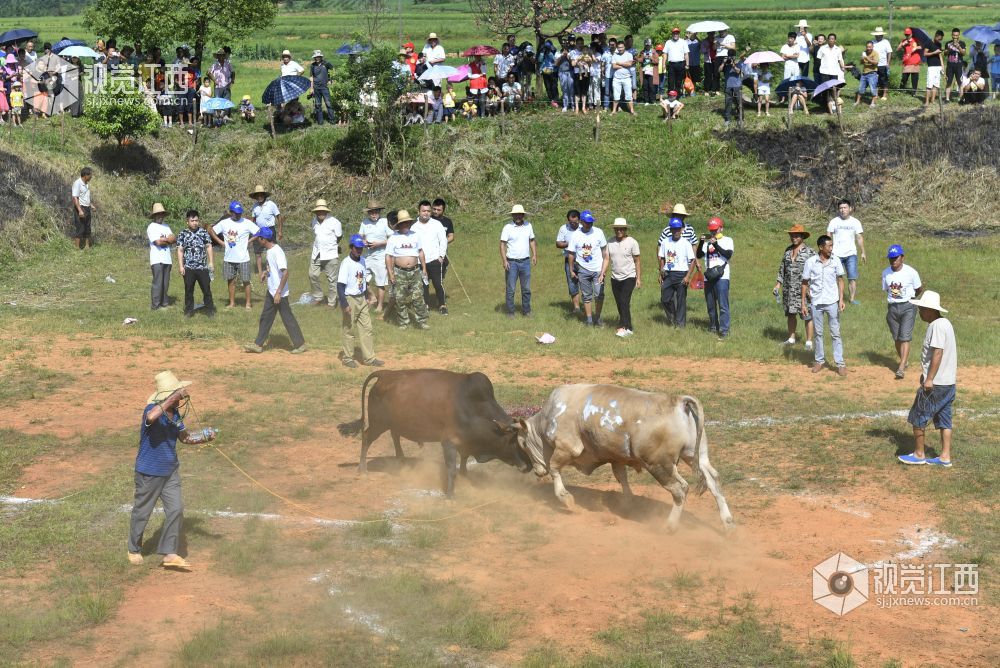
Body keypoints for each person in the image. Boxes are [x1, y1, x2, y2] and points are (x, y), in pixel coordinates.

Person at [128, 371, 217, 570]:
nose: (182, 397)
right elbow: (151, 417)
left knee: (176, 509)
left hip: (170, 472)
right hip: (149, 472)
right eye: (178, 393)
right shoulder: (151, 410)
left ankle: (170, 554)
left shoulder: (175, 414)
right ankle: (133, 549)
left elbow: (184, 438)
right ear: (169, 395)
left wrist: (204, 436)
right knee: (143, 512)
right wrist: (172, 399)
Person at [898, 291, 957, 467]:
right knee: (944, 419)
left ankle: (918, 454)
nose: (920, 311)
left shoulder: (936, 326)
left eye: (921, 308)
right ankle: (945, 457)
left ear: (930, 310)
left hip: (936, 384)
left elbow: (937, 353)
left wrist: (929, 378)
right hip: (948, 383)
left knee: (918, 416)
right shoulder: (946, 323)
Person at [244, 227, 306, 354]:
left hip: (279, 293)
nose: (257, 240)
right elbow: (274, 268)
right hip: (271, 291)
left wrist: (278, 293)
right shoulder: (269, 250)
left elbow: (285, 273)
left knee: (288, 318)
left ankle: (300, 344)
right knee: (266, 317)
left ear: (264, 239)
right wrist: (266, 273)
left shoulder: (277, 252)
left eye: (259, 238)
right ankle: (258, 344)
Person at [801, 234, 847, 376]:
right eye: (829, 246)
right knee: (818, 333)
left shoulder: (836, 261)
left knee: (835, 333)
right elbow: (804, 283)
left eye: (832, 245)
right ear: (821, 247)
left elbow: (840, 280)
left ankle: (840, 363)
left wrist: (841, 299)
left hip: (832, 302)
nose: (831, 248)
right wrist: (803, 303)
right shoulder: (810, 262)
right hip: (816, 302)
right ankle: (819, 361)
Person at [338, 234, 384, 368]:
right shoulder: (346, 263)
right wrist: (344, 304)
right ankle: (347, 358)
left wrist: (369, 295)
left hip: (361, 299)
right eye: (357, 248)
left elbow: (362, 281)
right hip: (349, 298)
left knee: (367, 328)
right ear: (351, 247)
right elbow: (340, 286)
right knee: (349, 329)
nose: (359, 250)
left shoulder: (363, 261)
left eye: (361, 248)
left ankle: (369, 359)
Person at [882, 244, 924, 380]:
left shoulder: (911, 272)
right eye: (891, 258)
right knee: (897, 337)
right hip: (892, 308)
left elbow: (919, 289)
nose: (893, 261)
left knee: (905, 336)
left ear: (902, 258)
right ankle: (904, 360)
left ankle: (901, 368)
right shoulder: (885, 273)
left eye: (896, 258)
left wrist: (910, 299)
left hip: (908, 306)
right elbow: (886, 289)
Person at [385, 209, 430, 330]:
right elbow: (388, 256)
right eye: (403, 223)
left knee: (418, 297)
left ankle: (422, 321)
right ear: (398, 224)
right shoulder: (393, 238)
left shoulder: (415, 235)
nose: (405, 225)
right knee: (400, 298)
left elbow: (420, 252)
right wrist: (390, 273)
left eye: (407, 223)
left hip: (415, 271)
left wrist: (424, 268)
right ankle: (404, 322)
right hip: (399, 272)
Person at [209, 201, 259, 310]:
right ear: (231, 212)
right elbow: (211, 230)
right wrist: (220, 242)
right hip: (229, 258)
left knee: (246, 281)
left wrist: (249, 241)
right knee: (231, 280)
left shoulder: (246, 222)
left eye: (239, 213)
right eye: (235, 213)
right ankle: (232, 303)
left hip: (243, 258)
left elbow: (258, 232)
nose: (238, 215)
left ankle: (248, 304)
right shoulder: (224, 223)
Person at [773, 224, 815, 349]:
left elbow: (816, 271)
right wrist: (778, 284)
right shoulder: (787, 251)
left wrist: (812, 288)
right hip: (789, 289)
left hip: (804, 290)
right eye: (792, 235)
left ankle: (808, 342)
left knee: (807, 315)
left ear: (802, 237)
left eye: (796, 235)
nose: (793, 238)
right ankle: (791, 339)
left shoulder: (810, 252)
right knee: (791, 314)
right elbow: (782, 269)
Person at [567, 210, 609, 327]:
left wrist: (603, 271)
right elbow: (571, 253)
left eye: (591, 222)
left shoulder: (599, 232)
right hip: (583, 269)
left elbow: (605, 253)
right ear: (581, 222)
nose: (589, 225)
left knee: (599, 295)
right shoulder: (576, 235)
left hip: (598, 270)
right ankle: (589, 320)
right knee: (586, 296)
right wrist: (571, 270)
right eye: (587, 222)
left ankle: (598, 318)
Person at [697, 217, 734, 338]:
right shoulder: (707, 243)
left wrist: (716, 245)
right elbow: (698, 255)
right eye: (711, 230)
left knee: (723, 305)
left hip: (722, 277)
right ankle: (713, 327)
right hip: (709, 277)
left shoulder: (728, 240)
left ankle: (724, 330)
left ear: (721, 228)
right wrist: (702, 242)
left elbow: (728, 255)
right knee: (710, 305)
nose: (713, 232)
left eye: (715, 230)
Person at [658, 216, 698, 329]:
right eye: (673, 229)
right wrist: (661, 271)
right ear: (670, 229)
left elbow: (692, 260)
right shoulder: (665, 242)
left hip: (682, 274)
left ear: (681, 230)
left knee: (681, 301)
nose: (676, 231)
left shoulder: (686, 243)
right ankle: (673, 317)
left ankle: (680, 325)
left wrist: (687, 276)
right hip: (668, 274)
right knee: (665, 299)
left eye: (678, 229)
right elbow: (661, 257)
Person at [499, 204, 537, 318]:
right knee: (510, 289)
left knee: (526, 289)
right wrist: (504, 260)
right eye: (515, 214)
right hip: (512, 262)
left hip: (525, 261)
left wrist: (534, 254)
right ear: (512, 215)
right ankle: (510, 312)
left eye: (520, 214)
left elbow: (532, 240)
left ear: (523, 215)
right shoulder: (507, 227)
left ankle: (527, 311)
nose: (518, 216)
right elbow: (502, 245)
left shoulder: (528, 226)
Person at [176, 209, 215, 318]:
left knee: (206, 289)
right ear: (187, 222)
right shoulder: (182, 234)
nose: (195, 223)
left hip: (202, 267)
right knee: (189, 290)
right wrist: (180, 266)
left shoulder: (203, 232)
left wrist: (211, 262)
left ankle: (210, 310)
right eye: (192, 220)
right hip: (188, 267)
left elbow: (209, 246)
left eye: (196, 220)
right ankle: (188, 311)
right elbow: (180, 250)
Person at [412, 200, 449, 314]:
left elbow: (443, 241)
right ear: (419, 211)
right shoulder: (414, 227)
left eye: (428, 211)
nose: (426, 213)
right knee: (424, 285)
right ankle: (426, 305)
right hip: (420, 261)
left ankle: (442, 305)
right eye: (424, 211)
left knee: (438, 284)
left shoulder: (437, 224)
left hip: (435, 259)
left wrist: (441, 256)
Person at [826, 199, 866, 305]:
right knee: (837, 277)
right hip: (836, 254)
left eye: (845, 207)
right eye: (841, 208)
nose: (843, 210)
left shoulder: (855, 222)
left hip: (851, 254)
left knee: (852, 278)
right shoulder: (834, 221)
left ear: (850, 209)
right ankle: (837, 299)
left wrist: (863, 252)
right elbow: (828, 236)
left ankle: (852, 299)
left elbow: (859, 237)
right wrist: (827, 250)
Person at [608, 218, 640, 337]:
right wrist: (602, 273)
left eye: (621, 229)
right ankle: (622, 324)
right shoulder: (610, 242)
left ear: (625, 229)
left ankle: (628, 328)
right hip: (615, 277)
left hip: (629, 276)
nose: (619, 231)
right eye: (617, 229)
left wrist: (638, 278)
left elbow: (637, 260)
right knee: (619, 302)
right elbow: (606, 258)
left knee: (624, 301)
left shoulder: (632, 242)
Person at [359, 200, 392, 314]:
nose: (373, 214)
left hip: (381, 256)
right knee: (361, 278)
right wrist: (364, 242)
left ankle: (380, 305)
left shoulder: (384, 222)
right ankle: (372, 297)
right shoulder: (364, 222)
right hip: (367, 255)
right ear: (368, 213)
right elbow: (360, 236)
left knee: (380, 282)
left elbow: (392, 239)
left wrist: (379, 244)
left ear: (379, 212)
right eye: (371, 212)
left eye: (376, 212)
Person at [307, 199, 342, 306]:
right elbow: (316, 235)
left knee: (332, 280)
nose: (321, 213)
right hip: (317, 253)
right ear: (316, 212)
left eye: (323, 211)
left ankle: (331, 302)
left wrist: (332, 245)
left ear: (326, 211)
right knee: (312, 274)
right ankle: (318, 296)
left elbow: (339, 236)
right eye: (318, 211)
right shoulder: (314, 221)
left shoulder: (335, 222)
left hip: (331, 254)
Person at [249, 185, 282, 278]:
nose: (259, 197)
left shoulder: (271, 204)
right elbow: (253, 219)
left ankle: (270, 269)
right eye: (257, 195)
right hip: (258, 230)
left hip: (269, 230)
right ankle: (260, 272)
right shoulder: (255, 206)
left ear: (264, 195)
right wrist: (250, 231)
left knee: (271, 250)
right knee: (257, 252)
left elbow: (279, 217)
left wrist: (280, 231)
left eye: (261, 195)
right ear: (255, 197)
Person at [147, 203, 175, 311]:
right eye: (158, 214)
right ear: (154, 216)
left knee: (165, 282)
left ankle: (164, 303)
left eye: (161, 214)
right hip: (156, 258)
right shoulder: (151, 227)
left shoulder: (166, 226)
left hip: (167, 258)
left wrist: (167, 240)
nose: (160, 216)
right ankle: (155, 305)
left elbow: (174, 238)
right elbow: (157, 242)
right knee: (157, 282)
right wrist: (168, 240)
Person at [556, 210, 582, 314]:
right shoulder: (563, 228)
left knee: (584, 283)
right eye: (571, 222)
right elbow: (558, 243)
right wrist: (571, 244)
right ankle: (577, 307)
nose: (573, 224)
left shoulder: (583, 228)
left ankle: (586, 304)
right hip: (569, 260)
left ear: (579, 220)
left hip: (583, 260)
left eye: (575, 222)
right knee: (572, 283)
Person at [71, 166, 96, 250]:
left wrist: (91, 205)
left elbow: (85, 196)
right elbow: (75, 198)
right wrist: (80, 210)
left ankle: (87, 246)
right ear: (85, 175)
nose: (91, 177)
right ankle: (77, 248)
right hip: (80, 208)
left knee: (87, 228)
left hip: (87, 208)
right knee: (80, 228)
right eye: (90, 175)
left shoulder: (86, 184)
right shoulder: (77, 183)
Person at [309, 50, 335, 125]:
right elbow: (311, 77)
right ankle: (320, 122)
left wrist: (331, 79)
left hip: (324, 87)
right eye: (316, 57)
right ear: (314, 57)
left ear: (321, 57)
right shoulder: (312, 65)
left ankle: (332, 120)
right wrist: (311, 88)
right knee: (318, 105)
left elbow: (333, 70)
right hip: (316, 87)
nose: (317, 58)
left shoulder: (326, 63)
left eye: (318, 56)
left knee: (328, 104)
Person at [610, 42, 635, 115]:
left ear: (624, 47)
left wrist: (619, 63)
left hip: (627, 78)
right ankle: (614, 111)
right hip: (616, 79)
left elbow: (629, 64)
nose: (620, 49)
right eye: (619, 47)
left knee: (629, 95)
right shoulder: (614, 55)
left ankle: (632, 111)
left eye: (622, 47)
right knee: (616, 95)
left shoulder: (629, 54)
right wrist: (624, 64)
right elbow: (614, 66)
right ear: (617, 48)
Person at [664, 28, 689, 98]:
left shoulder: (683, 42)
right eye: (674, 33)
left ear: (679, 34)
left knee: (679, 82)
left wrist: (687, 64)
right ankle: (670, 97)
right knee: (670, 82)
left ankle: (677, 97)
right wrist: (663, 64)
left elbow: (686, 54)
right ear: (672, 34)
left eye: (677, 33)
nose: (675, 34)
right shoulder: (668, 42)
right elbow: (665, 53)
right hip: (671, 64)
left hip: (681, 64)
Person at [944, 28, 967, 102]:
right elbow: (945, 53)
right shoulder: (948, 43)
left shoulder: (962, 43)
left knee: (960, 82)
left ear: (959, 35)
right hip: (950, 65)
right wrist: (949, 48)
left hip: (959, 65)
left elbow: (964, 53)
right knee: (948, 82)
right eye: (954, 35)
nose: (955, 37)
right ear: (951, 35)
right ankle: (947, 99)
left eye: (956, 35)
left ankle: (961, 98)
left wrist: (958, 47)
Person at [897, 28, 923, 93]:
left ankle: (914, 92)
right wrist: (903, 45)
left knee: (914, 78)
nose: (907, 36)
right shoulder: (904, 41)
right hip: (907, 62)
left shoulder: (916, 40)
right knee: (904, 77)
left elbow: (923, 46)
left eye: (908, 34)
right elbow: (898, 49)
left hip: (915, 61)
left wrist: (916, 48)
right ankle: (901, 91)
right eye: (906, 35)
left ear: (911, 34)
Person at [871, 27, 893, 100]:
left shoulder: (886, 42)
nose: (877, 36)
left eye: (879, 35)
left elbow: (889, 53)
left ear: (882, 35)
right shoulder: (872, 42)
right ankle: (876, 94)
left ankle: (884, 95)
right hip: (874, 64)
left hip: (883, 64)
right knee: (875, 80)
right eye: (876, 35)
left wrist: (888, 63)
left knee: (884, 79)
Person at [721, 55, 743, 127]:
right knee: (727, 103)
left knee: (738, 102)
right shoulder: (725, 64)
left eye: (732, 58)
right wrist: (723, 63)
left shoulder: (737, 63)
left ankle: (740, 118)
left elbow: (738, 71)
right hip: (728, 86)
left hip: (737, 85)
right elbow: (718, 70)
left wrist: (733, 65)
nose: (730, 59)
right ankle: (727, 119)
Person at [856, 41, 880, 107]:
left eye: (870, 47)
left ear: (872, 46)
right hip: (864, 73)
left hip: (872, 73)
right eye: (867, 47)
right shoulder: (864, 52)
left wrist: (867, 58)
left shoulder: (875, 53)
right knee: (861, 89)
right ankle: (858, 101)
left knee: (873, 89)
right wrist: (861, 59)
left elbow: (876, 63)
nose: (868, 48)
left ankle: (873, 103)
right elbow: (861, 63)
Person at [924, 30, 944, 106]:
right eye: (939, 39)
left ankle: (932, 100)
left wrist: (942, 66)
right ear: (936, 35)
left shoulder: (939, 44)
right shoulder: (928, 42)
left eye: (941, 39)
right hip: (931, 67)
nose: (940, 40)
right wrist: (933, 53)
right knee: (929, 84)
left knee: (936, 84)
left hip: (938, 66)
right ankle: (926, 102)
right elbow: (925, 54)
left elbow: (940, 55)